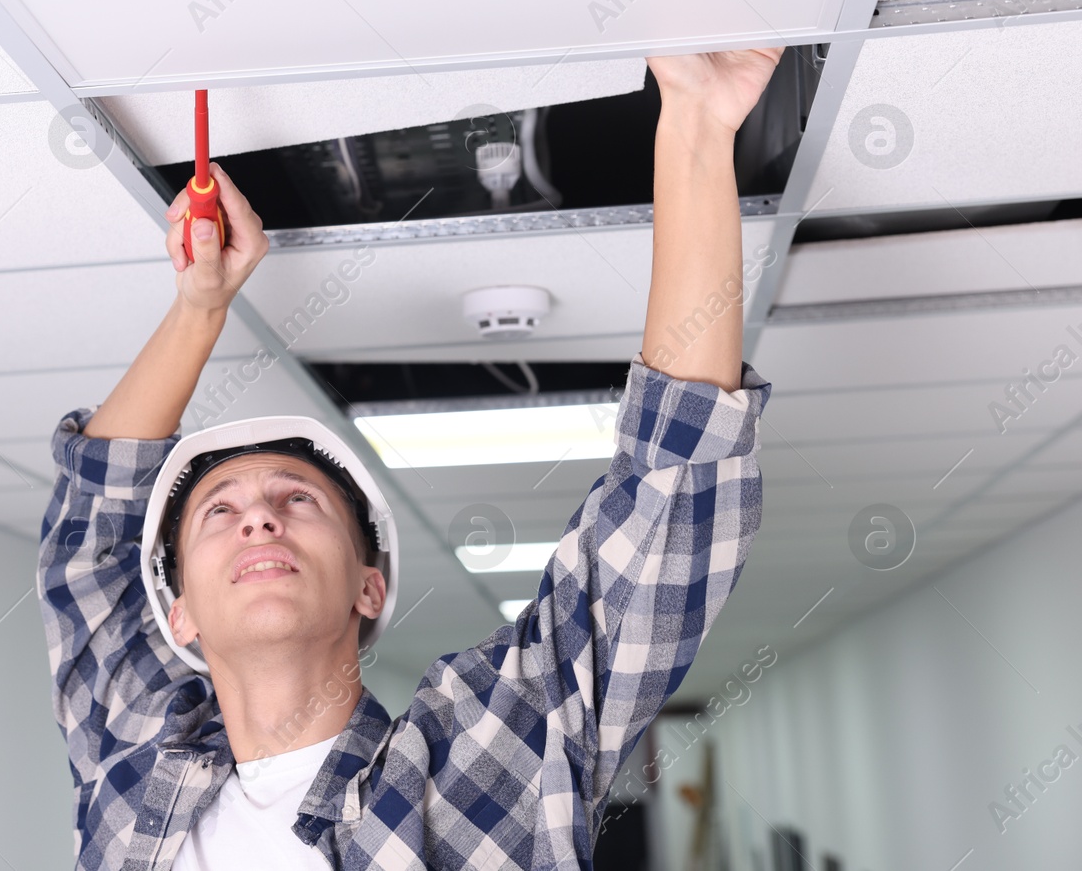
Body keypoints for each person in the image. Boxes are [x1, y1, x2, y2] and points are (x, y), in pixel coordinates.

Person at [38, 48, 782, 870]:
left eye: (299, 499)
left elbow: (655, 530)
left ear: (369, 583)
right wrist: (199, 311)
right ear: (179, 613)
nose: (258, 514)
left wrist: (699, 129)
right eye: (218, 509)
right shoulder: (135, 765)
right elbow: (95, 540)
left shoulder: (481, 761)